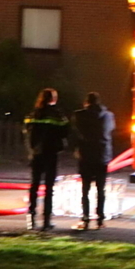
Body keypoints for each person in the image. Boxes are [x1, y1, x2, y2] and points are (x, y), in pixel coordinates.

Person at [24, 88, 70, 231]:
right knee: (49, 188)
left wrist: (32, 149)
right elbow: (65, 131)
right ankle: (46, 220)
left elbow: (26, 131)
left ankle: (31, 217)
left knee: (34, 185)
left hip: (36, 153)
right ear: (53, 99)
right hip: (51, 153)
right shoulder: (57, 114)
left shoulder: (33, 114)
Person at [71, 91, 116, 230]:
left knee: (85, 189)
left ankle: (85, 218)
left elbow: (75, 132)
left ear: (86, 102)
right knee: (100, 189)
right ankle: (100, 219)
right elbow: (110, 130)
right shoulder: (108, 116)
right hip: (102, 155)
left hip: (86, 155)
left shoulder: (79, 115)